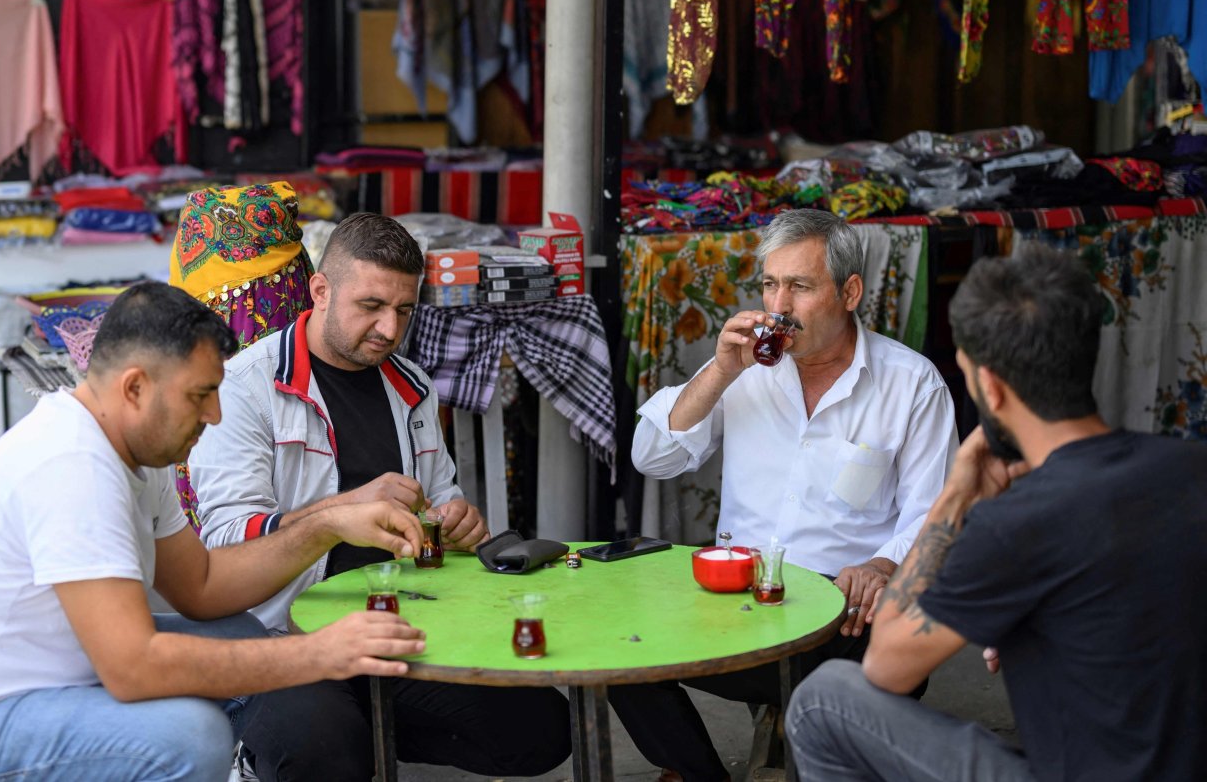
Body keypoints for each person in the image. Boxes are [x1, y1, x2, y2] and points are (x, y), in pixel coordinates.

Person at [0, 280, 431, 782]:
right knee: (190, 738)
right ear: (134, 388)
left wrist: (326, 524)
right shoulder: (73, 466)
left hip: (28, 688)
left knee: (239, 632)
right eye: (200, 396)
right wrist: (319, 655)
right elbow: (133, 668)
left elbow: (202, 586)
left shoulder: (125, 449)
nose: (214, 416)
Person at [785, 244, 1207, 782]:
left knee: (825, 697)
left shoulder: (1014, 525)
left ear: (991, 387)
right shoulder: (1193, 465)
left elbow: (886, 663)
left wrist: (955, 498)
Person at [189, 212, 572, 782]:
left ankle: (358, 733)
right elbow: (222, 544)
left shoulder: (411, 385)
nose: (390, 329)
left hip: (398, 628)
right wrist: (339, 512)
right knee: (320, 749)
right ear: (320, 290)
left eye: (405, 310)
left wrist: (459, 524)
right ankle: (281, 744)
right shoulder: (245, 388)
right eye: (371, 306)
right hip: (284, 639)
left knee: (540, 728)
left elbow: (441, 503)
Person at [612, 208, 958, 782]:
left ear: (850, 292)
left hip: (840, 616)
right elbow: (653, 456)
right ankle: (700, 773)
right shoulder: (745, 367)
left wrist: (883, 563)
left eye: (799, 286)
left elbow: (936, 513)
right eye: (771, 284)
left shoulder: (911, 383)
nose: (780, 306)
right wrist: (720, 371)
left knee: (883, 659)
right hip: (739, 602)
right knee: (617, 648)